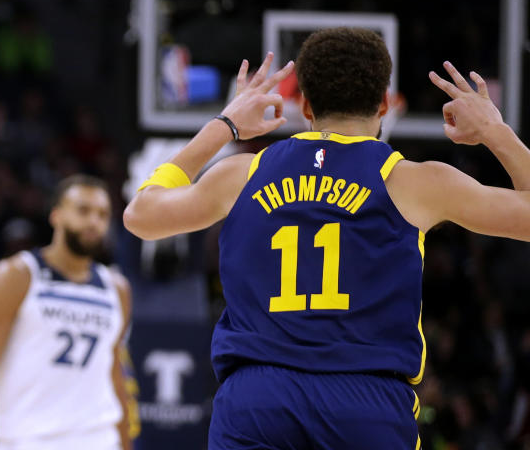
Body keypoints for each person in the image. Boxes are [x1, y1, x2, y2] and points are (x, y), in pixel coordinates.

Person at [123, 28, 530, 449]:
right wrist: (494, 132)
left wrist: (224, 126)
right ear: (385, 105)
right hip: (366, 401)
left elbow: (141, 216)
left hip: (257, 400)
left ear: (306, 107)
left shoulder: (243, 173)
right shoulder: (416, 182)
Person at [0, 175, 133, 450]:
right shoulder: (17, 276)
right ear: (56, 215)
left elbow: (115, 377)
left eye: (102, 214)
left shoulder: (116, 289)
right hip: (27, 440)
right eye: (83, 210)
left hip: (99, 439)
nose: (94, 222)